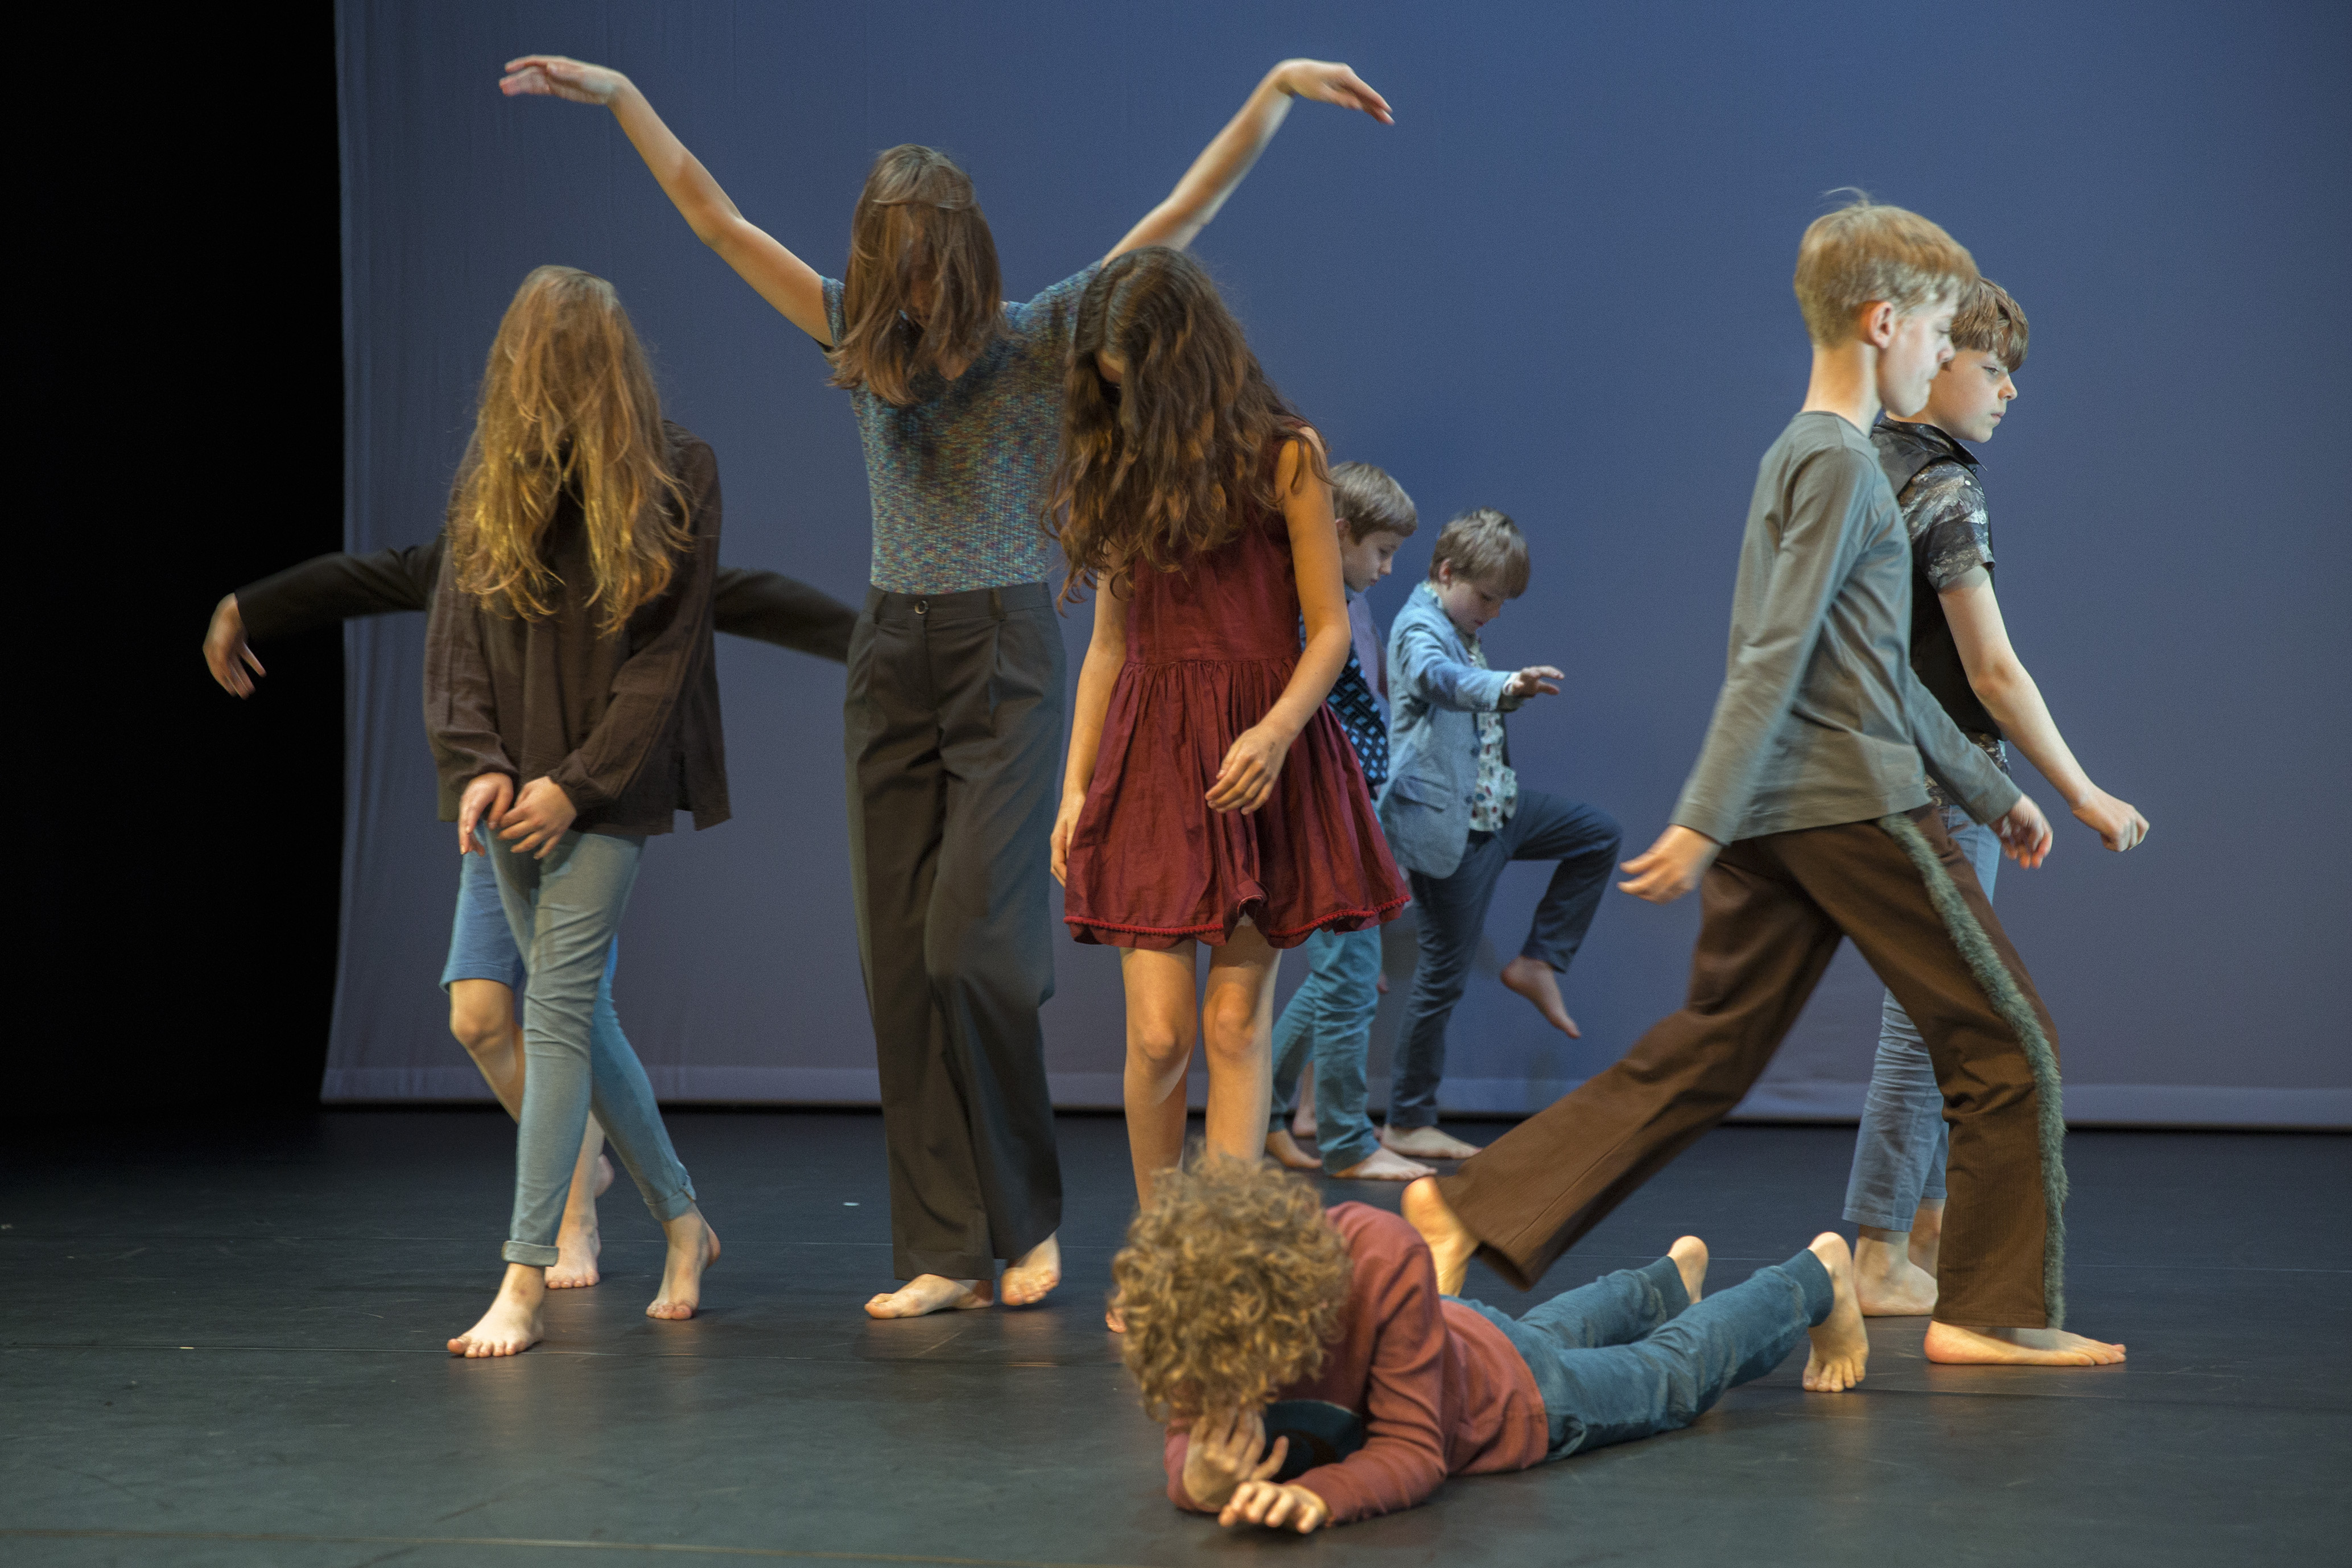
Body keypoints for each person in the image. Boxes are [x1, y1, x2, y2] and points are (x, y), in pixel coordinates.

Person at [500, 48, 1392, 1319]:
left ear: (963, 256)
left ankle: (1028, 1218)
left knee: (978, 948)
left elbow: (1178, 217)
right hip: (892, 656)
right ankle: (943, 1248)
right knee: (899, 962)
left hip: (1003, 651)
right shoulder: (852, 336)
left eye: (928, 264)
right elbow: (714, 215)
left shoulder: (1037, 338)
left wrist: (1275, 92)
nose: (912, 289)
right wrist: (618, 96)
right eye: (894, 264)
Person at [1402, 197, 2128, 1371]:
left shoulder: (1804, 454)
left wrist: (1991, 793)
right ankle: (1985, 1312)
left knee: (1711, 1047)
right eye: (1936, 332)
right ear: (1882, 322)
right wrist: (1698, 816)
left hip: (1785, 810)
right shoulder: (1840, 464)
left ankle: (1467, 1206)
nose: (1944, 357)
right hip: (1850, 802)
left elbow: (1870, 661)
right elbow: (1773, 652)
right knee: (2008, 1044)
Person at [204, 540, 855, 1289]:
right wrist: (243, 608)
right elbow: (358, 579)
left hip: (586, 813)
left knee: (568, 1016)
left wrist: (867, 639)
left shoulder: (612, 555)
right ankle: (591, 1165)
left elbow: (741, 593)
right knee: (477, 1019)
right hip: (502, 820)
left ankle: (578, 1212)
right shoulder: (471, 555)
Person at [1050, 249, 1409, 1209]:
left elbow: (1328, 631)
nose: (1125, 405)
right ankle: (1160, 1238)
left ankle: (1219, 1251)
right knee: (1159, 1035)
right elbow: (1107, 648)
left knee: (1234, 1024)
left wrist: (1277, 732)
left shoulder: (1286, 454)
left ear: (1184, 363)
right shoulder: (1120, 463)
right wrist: (1074, 787)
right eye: (1110, 388)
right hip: (1152, 757)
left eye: (1136, 385)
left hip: (1262, 757)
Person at [425, 265, 725, 1357]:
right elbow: (458, 637)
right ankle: (685, 1224)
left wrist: (577, 785)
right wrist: (480, 764)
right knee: (580, 1017)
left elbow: (663, 666)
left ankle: (524, 1277)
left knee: (553, 1011)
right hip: (516, 785)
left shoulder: (679, 472)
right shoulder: (491, 474)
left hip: (609, 782)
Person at [1845, 278, 2151, 1314]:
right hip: (1939, 778)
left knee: (1941, 1007)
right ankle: (1877, 1250)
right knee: (1933, 1015)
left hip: (1880, 767)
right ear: (1934, 360)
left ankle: (1921, 1227)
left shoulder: (1862, 462)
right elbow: (1991, 671)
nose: (2009, 391)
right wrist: (2080, 791)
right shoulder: (1941, 487)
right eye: (1992, 368)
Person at [1119, 1156, 1870, 1533]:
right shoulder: (1199, 1313)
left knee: (1663, 1376)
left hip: (1515, 1401)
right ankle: (1668, 1281)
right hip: (1461, 1337)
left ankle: (1813, 1278)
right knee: (1547, 1331)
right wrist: (1200, 1482)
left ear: (1281, 1316)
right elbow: (1187, 1443)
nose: (1236, 1392)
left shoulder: (1376, 1255)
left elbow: (1414, 1452)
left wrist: (1314, 1494)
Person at [1375, 510, 1622, 1161]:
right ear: (1446, 572)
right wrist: (1507, 684)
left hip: (1499, 808)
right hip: (1453, 830)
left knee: (1598, 835)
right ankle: (1407, 1120)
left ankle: (1537, 961)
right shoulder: (1419, 627)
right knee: (1442, 976)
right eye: (1486, 597)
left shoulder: (1460, 623)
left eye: (1502, 602)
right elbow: (1438, 679)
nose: (1494, 612)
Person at [1258, 461, 1432, 1182]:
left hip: (1353, 802)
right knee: (1351, 975)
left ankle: (1264, 1117)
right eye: (1382, 550)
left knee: (1337, 976)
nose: (1389, 568)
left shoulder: (1349, 603)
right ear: (1339, 533)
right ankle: (1347, 1139)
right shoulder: (1311, 607)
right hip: (1327, 806)